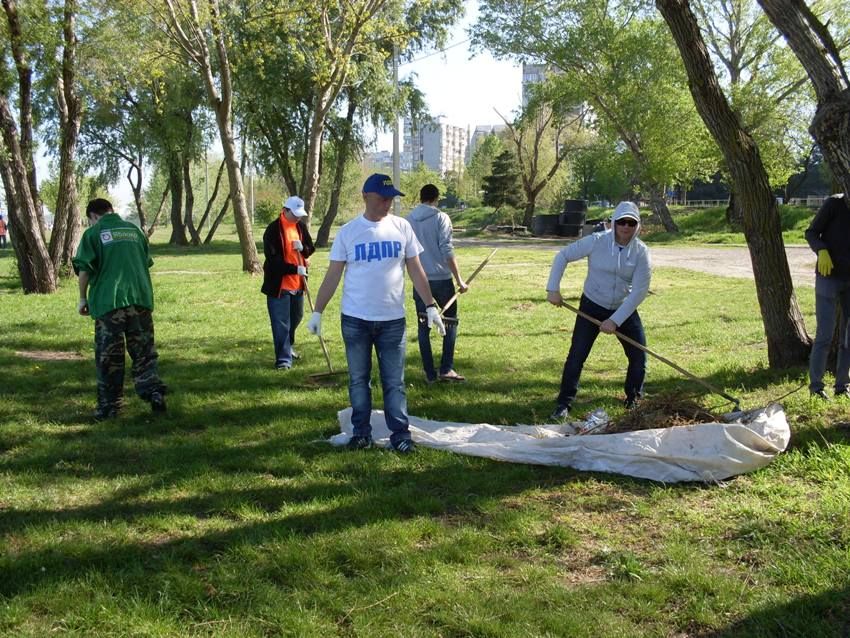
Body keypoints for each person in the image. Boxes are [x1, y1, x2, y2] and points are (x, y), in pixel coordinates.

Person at [306, 173, 446, 454]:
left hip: (392, 320)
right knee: (359, 380)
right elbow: (333, 275)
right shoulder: (349, 232)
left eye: (390, 199)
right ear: (365, 197)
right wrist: (317, 311)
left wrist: (430, 305)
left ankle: (400, 435)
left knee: (394, 382)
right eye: (382, 198)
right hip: (355, 319)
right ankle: (361, 433)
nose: (387, 204)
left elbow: (416, 269)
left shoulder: (402, 227)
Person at [545, 200, 651, 420]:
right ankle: (563, 404)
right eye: (621, 221)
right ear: (614, 222)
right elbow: (562, 256)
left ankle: (633, 401)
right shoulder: (596, 241)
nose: (626, 227)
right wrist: (553, 289)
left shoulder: (641, 252)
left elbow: (640, 291)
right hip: (592, 305)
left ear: (637, 226)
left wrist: (615, 320)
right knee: (577, 356)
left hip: (623, 308)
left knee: (638, 356)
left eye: (631, 223)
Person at [73, 198, 167, 420]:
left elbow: (84, 270)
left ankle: (110, 407)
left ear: (93, 216)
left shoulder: (93, 234)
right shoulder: (135, 232)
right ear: (111, 210)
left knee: (110, 357)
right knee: (144, 352)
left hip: (110, 302)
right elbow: (145, 262)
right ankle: (153, 392)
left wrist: (82, 299)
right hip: (140, 299)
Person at [406, 184, 468, 383]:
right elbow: (447, 250)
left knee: (423, 326)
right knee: (450, 321)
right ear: (436, 198)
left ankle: (429, 374)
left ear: (421, 197)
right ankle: (446, 368)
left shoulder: (408, 220)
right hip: (441, 279)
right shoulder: (441, 218)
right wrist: (459, 279)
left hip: (419, 280)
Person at [804, 193, 850, 400]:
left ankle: (842, 386)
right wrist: (821, 250)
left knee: (848, 337)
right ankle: (816, 388)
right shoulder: (834, 203)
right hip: (828, 277)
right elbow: (811, 232)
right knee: (825, 334)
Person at [261, 195, 315, 370]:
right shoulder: (273, 230)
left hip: (298, 284)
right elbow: (273, 260)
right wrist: (294, 269)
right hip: (279, 286)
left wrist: (303, 249)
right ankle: (283, 360)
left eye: (300, 214)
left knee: (296, 317)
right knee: (281, 323)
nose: (298, 217)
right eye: (295, 214)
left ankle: (287, 346)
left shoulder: (300, 227)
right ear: (285, 210)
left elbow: (310, 248)